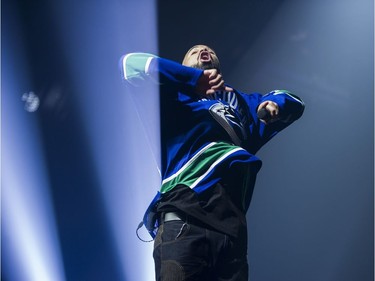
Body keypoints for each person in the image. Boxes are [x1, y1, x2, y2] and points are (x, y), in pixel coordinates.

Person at [120, 45, 305, 281]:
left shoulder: (242, 106)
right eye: (194, 51)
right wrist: (193, 79)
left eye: (209, 50)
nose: (203, 51)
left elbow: (296, 103)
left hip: (233, 235)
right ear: (183, 65)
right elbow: (130, 64)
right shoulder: (174, 98)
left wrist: (273, 105)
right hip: (185, 220)